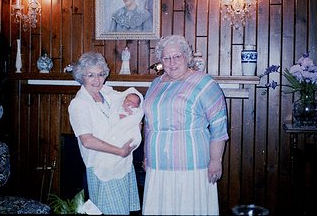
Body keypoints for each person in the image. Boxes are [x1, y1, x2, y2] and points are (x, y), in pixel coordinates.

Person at [141, 35, 229, 215]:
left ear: (186, 57)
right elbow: (149, 123)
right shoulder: (156, 84)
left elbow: (219, 125)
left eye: (177, 56)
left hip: (191, 163)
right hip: (157, 162)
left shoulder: (204, 82)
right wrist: (146, 155)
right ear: (161, 60)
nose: (172, 62)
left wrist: (215, 160)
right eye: (166, 58)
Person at [68, 52, 141, 215]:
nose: (97, 80)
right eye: (90, 75)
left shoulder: (108, 95)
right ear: (82, 76)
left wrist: (136, 120)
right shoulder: (79, 104)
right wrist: (120, 151)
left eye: (100, 74)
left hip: (122, 165)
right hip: (102, 168)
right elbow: (87, 141)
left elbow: (135, 101)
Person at [92, 90, 144, 182]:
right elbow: (112, 119)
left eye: (133, 103)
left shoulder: (136, 112)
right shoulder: (117, 108)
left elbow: (134, 122)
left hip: (125, 137)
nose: (130, 104)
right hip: (112, 137)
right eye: (128, 100)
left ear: (137, 106)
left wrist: (130, 115)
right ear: (123, 100)